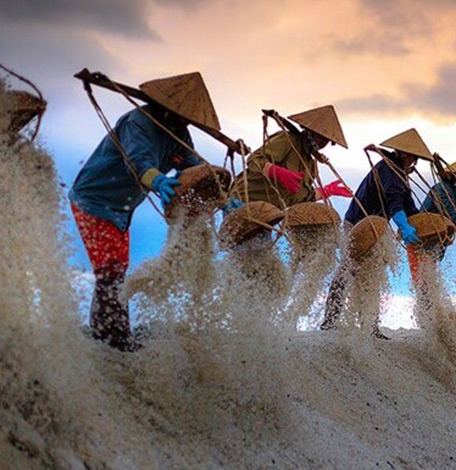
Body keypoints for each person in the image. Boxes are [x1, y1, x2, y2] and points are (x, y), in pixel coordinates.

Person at [68, 72, 221, 351]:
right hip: (94, 199)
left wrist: (223, 198)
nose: (183, 122)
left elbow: (194, 166)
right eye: (180, 116)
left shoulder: (179, 134)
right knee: (110, 270)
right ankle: (111, 337)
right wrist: (158, 180)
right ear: (165, 107)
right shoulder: (138, 122)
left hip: (123, 208)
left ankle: (111, 332)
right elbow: (137, 162)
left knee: (116, 269)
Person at [321, 128, 434, 337]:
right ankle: (330, 319)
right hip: (357, 223)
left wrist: (422, 225)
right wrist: (403, 226)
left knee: (374, 275)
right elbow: (394, 202)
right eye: (413, 158)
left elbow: (408, 206)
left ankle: (371, 326)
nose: (414, 163)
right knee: (348, 268)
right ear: (405, 155)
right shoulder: (388, 170)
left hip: (377, 228)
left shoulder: (399, 173)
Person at [233, 105, 352, 209]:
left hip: (265, 214)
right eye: (322, 137)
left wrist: (327, 191)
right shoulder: (288, 140)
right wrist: (277, 172)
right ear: (311, 130)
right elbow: (254, 159)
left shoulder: (311, 166)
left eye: (328, 140)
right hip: (241, 201)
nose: (324, 143)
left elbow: (302, 199)